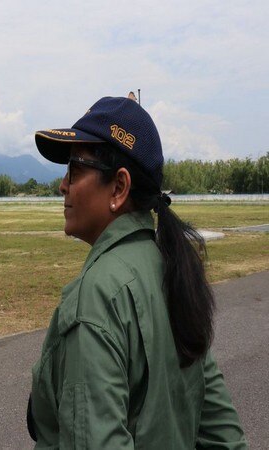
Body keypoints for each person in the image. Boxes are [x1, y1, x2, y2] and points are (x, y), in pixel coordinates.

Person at [27, 95, 247, 448]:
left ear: (118, 187)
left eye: (75, 169)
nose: (63, 185)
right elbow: (223, 435)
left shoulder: (98, 295)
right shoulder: (172, 270)